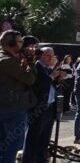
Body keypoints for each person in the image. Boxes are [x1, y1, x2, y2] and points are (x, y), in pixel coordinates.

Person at [22, 47, 66, 163]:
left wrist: (57, 79)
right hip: (38, 109)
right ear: (41, 55)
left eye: (52, 55)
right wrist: (52, 76)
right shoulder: (37, 67)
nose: (50, 58)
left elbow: (50, 87)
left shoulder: (47, 68)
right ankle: (29, 160)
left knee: (44, 139)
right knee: (33, 138)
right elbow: (37, 86)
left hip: (49, 108)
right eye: (47, 55)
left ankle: (41, 159)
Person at [0, 30, 37, 163]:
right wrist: (31, 63)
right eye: (20, 41)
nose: (23, 44)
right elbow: (30, 79)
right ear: (11, 43)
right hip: (12, 109)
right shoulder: (8, 61)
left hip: (6, 107)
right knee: (12, 147)